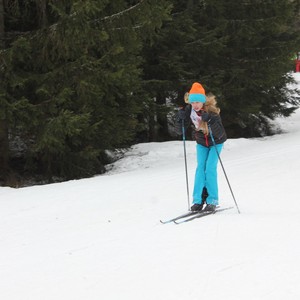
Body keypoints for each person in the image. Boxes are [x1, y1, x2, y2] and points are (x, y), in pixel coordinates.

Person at [177, 82, 227, 212]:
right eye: (193, 102)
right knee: (200, 169)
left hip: (216, 142)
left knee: (210, 168)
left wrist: (210, 120)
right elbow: (180, 130)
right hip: (201, 142)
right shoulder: (190, 110)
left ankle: (212, 200)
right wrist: (181, 119)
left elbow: (220, 133)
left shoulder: (212, 112)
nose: (195, 105)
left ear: (203, 101)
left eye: (198, 102)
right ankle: (198, 201)